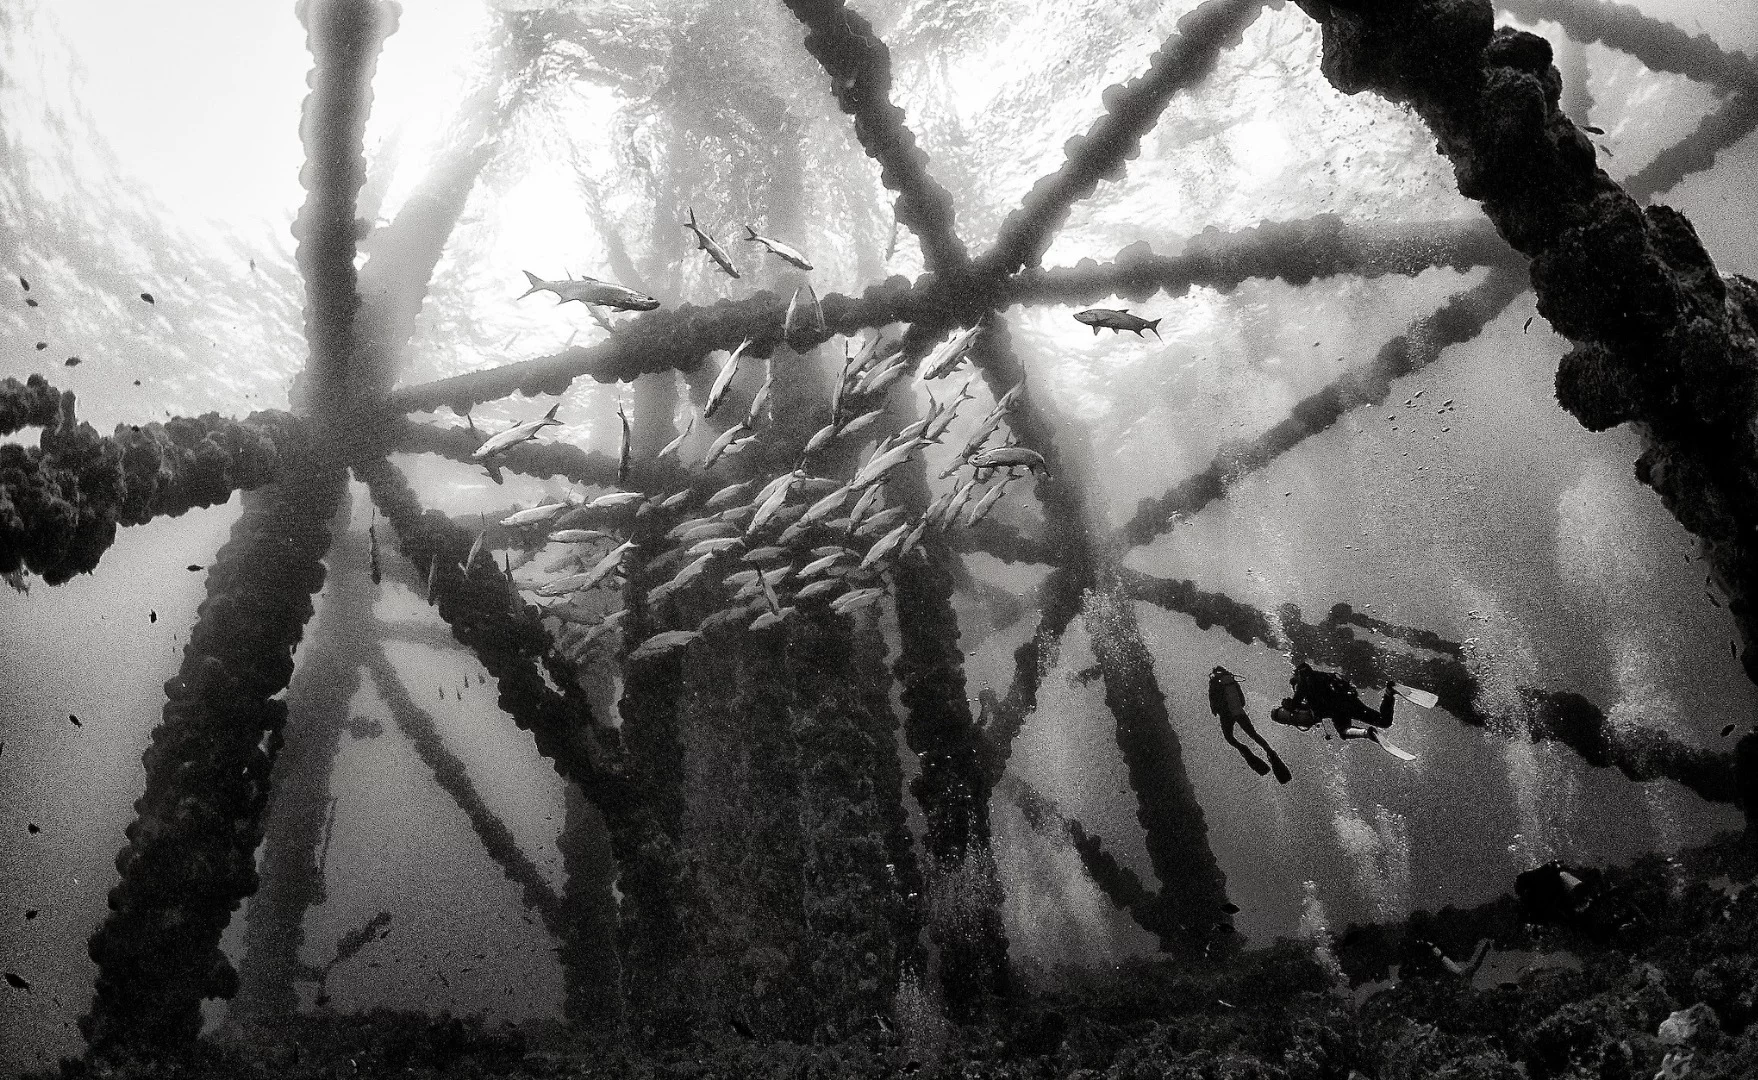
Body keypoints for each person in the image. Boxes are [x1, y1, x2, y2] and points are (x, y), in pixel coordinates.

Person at [1270, 662, 1397, 745]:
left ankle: (1367, 733)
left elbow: (1296, 705)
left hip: (1338, 711)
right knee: (1384, 721)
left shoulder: (1304, 684)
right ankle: (1389, 693)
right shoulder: (1325, 675)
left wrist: (1287, 704)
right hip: (1351, 701)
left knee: (1344, 731)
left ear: (1299, 674)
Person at [1207, 666, 1292, 784]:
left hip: (1226, 715)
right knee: (1253, 734)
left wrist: (1218, 711)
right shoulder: (1232, 680)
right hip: (1239, 712)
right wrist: (1237, 708)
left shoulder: (1214, 683)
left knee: (1230, 738)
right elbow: (1242, 701)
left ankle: (1248, 754)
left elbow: (1213, 703)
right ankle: (1270, 752)